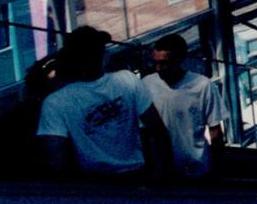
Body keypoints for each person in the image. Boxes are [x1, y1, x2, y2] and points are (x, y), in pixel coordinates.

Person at [37, 27, 170, 177]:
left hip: (96, 186)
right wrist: (160, 176)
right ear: (101, 54)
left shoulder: (55, 102)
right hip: (134, 176)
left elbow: (57, 160)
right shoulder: (127, 80)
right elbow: (158, 131)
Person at [143, 34, 226, 178]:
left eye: (164, 63)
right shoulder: (147, 84)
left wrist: (218, 169)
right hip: (162, 172)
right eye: (155, 63)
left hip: (197, 169)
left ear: (180, 60)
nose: (158, 68)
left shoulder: (203, 86)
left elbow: (215, 130)